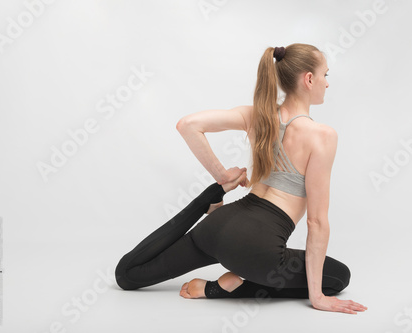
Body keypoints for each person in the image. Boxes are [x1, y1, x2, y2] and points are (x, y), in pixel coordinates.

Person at [115, 43, 368, 314]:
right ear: (309, 79)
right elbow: (316, 221)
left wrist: (221, 179)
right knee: (339, 277)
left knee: (129, 274)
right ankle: (218, 289)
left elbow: (187, 125)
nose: (327, 84)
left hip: (215, 227)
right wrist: (316, 296)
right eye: (325, 75)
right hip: (257, 249)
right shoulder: (322, 136)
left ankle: (209, 198)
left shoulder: (256, 116)